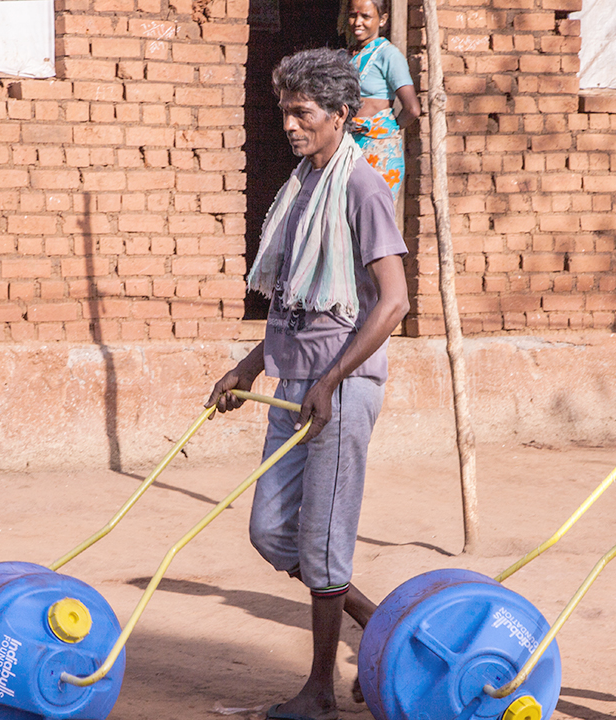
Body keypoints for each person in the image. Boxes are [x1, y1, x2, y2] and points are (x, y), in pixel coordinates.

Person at [206, 48, 409, 720]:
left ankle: (320, 693)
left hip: (338, 390)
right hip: (292, 381)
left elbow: (394, 302)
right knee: (273, 533)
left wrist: (332, 378)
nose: (291, 125)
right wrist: (249, 365)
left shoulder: (362, 188)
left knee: (323, 542)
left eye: (304, 113)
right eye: (286, 112)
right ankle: (380, 627)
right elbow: (294, 302)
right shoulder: (299, 188)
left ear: (341, 116)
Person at [344, 0, 420, 206]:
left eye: (366, 16)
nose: (357, 22)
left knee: (375, 220)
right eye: (353, 15)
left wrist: (382, 128)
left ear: (383, 20)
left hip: (380, 152)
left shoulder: (389, 55)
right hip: (350, 147)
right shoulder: (350, 56)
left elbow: (412, 109)